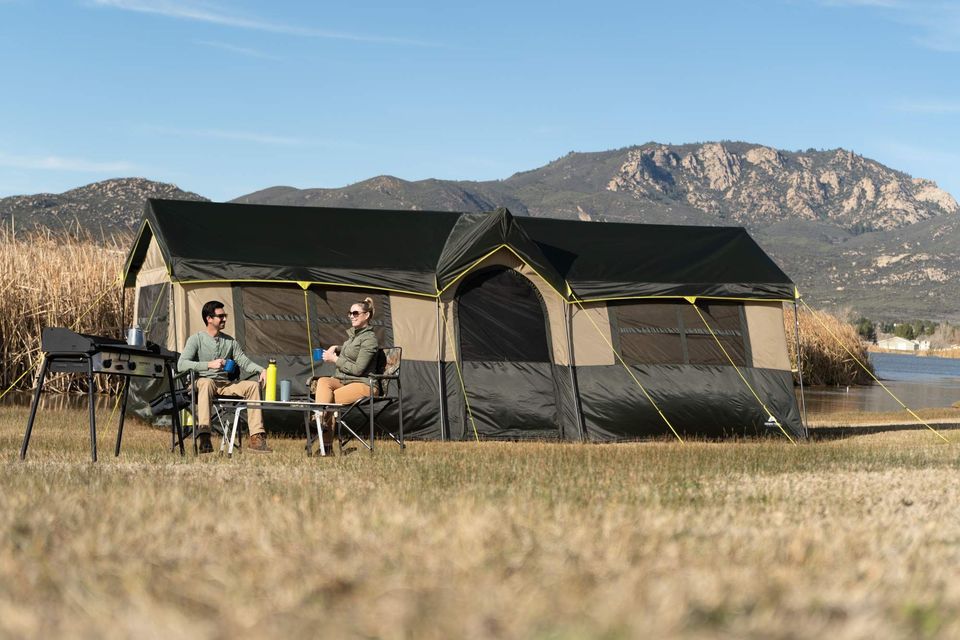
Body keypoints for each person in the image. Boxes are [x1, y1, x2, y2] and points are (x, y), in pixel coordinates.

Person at [178, 300, 272, 454]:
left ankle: (256, 438)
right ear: (209, 318)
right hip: (202, 383)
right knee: (206, 382)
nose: (224, 319)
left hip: (225, 384)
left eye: (225, 316)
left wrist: (262, 370)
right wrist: (209, 364)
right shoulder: (196, 339)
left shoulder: (230, 341)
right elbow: (181, 365)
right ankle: (204, 435)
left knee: (252, 386)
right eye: (220, 316)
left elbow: (244, 361)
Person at [314, 297, 380, 442]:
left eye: (355, 313)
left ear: (366, 315)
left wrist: (335, 359)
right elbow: (351, 349)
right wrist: (336, 347)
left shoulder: (370, 340)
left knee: (328, 401)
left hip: (364, 384)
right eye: (349, 313)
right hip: (346, 381)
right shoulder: (353, 337)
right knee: (324, 381)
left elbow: (358, 370)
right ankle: (321, 420)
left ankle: (320, 424)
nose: (351, 316)